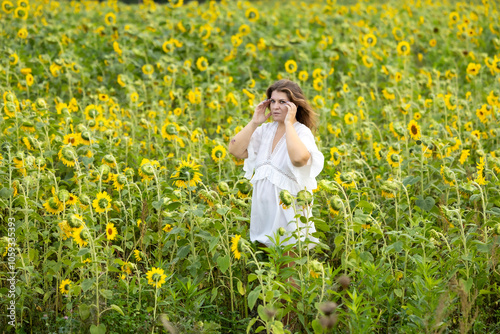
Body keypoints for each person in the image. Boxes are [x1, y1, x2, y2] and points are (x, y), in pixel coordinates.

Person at [228, 79, 324, 248]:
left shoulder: (301, 132)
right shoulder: (265, 131)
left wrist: (288, 123)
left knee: (288, 272)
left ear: (294, 106)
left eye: (282, 102)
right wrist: (255, 121)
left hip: (289, 221)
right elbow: (235, 149)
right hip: (263, 219)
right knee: (267, 273)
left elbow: (299, 159)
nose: (275, 107)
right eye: (272, 101)